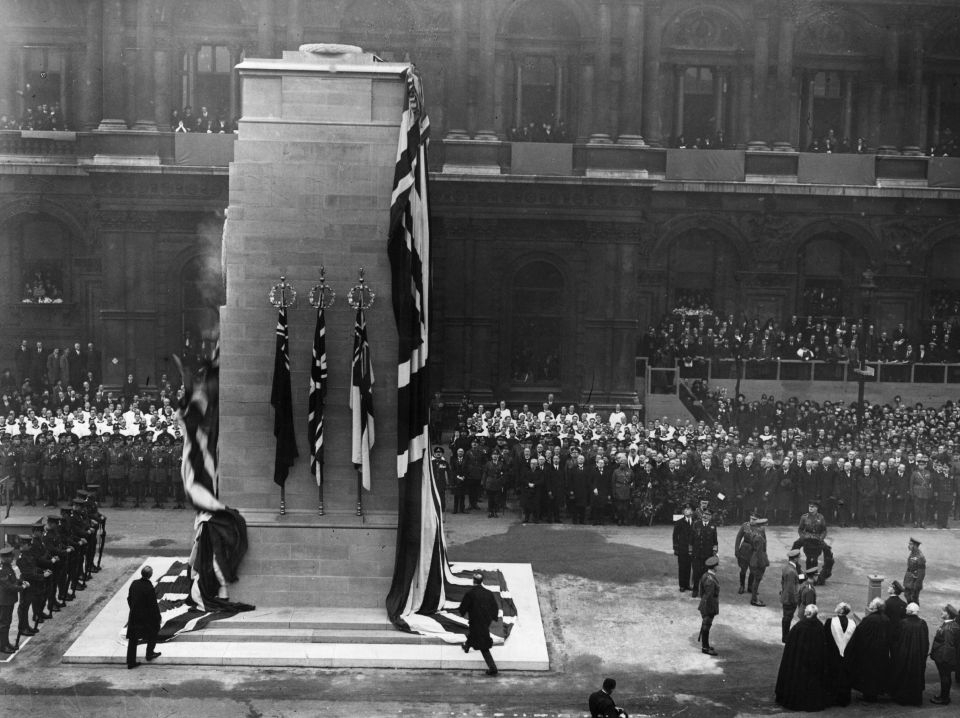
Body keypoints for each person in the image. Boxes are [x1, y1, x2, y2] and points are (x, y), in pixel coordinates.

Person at [775, 604, 830, 711]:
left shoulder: (799, 627)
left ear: (807, 613)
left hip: (799, 662)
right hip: (814, 663)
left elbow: (790, 645)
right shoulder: (819, 626)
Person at [846, 597, 892, 702]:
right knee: (878, 673)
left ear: (875, 607)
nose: (870, 604)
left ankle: (868, 696)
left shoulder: (868, 620)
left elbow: (859, 634)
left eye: (872, 603)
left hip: (869, 652)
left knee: (868, 674)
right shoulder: (886, 619)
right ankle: (876, 693)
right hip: (881, 652)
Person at [458, 572, 499, 676]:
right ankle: (467, 646)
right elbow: (495, 607)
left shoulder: (470, 593)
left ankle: (492, 668)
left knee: (483, 644)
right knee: (474, 632)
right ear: (482, 581)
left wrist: (462, 612)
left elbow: (463, 607)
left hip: (476, 620)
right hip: (486, 620)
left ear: (473, 581)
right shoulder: (489, 593)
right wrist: (492, 618)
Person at [889, 602, 929, 706]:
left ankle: (902, 698)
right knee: (916, 676)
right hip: (917, 656)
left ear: (909, 611)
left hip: (904, 655)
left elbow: (896, 640)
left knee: (903, 675)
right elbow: (925, 641)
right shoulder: (922, 623)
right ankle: (915, 699)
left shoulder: (903, 623)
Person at [126, 565, 162, 669]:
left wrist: (133, 608)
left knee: (133, 639)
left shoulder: (134, 583)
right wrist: (157, 617)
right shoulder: (149, 587)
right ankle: (149, 653)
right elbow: (153, 605)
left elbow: (129, 598)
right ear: (150, 575)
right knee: (154, 630)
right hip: (145, 617)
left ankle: (130, 662)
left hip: (134, 615)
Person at [823, 602, 856, 706]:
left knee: (833, 675)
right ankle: (844, 700)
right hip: (847, 656)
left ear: (841, 610)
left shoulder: (830, 622)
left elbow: (825, 638)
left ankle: (832, 698)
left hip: (833, 654)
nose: (836, 607)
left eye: (838, 607)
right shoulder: (852, 623)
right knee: (845, 676)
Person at [930, 603, 959, 705]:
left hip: (944, 658)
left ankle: (944, 698)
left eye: (943, 611)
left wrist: (944, 660)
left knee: (945, 678)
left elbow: (948, 646)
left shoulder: (948, 628)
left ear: (948, 614)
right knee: (945, 677)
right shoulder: (952, 625)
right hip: (946, 657)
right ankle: (944, 696)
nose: (941, 612)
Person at [1, 545, 28, 653]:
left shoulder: (8, 567)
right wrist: (22, 587)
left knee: (7, 623)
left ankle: (6, 643)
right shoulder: (2, 569)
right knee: (4, 624)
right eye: (10, 557)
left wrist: (21, 582)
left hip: (8, 600)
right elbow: (8, 586)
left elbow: (13, 579)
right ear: (4, 558)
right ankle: (3, 646)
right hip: (4, 601)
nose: (12, 558)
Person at [689, 507, 717, 598]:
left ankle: (703, 591)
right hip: (697, 554)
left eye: (708, 515)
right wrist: (690, 551)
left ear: (710, 517)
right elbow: (691, 539)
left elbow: (715, 541)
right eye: (704, 514)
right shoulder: (696, 524)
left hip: (707, 555)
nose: (705, 516)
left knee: (705, 574)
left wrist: (714, 552)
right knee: (696, 573)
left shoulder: (713, 526)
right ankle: (695, 589)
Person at [697, 555, 720, 656]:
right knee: (706, 626)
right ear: (714, 567)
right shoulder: (710, 580)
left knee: (706, 626)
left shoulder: (706, 575)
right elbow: (709, 596)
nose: (717, 567)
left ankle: (705, 645)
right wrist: (710, 609)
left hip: (705, 604)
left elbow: (701, 592)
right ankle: (705, 648)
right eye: (717, 566)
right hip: (708, 606)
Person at [780, 548, 803, 643]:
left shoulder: (787, 567)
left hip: (785, 596)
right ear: (795, 559)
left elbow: (784, 582)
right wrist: (794, 600)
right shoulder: (791, 571)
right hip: (790, 599)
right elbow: (790, 589)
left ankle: (785, 635)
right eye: (798, 557)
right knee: (787, 618)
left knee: (787, 617)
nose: (799, 559)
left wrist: (804, 576)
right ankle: (785, 637)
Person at [797, 499, 827, 570]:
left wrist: (821, 538)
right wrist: (803, 537)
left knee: (815, 559)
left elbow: (824, 530)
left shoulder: (821, 517)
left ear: (817, 508)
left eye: (813, 507)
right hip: (808, 541)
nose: (810, 508)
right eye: (809, 506)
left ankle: (814, 575)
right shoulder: (804, 517)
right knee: (808, 559)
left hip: (817, 541)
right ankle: (808, 574)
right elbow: (800, 529)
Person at [672, 504, 695, 592]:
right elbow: (675, 536)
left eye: (688, 509)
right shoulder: (679, 522)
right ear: (683, 512)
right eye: (685, 509)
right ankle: (682, 585)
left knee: (689, 567)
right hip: (682, 548)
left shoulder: (694, 522)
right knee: (682, 567)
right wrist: (676, 549)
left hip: (691, 549)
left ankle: (687, 585)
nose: (687, 511)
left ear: (692, 512)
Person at [903, 537, 926, 605]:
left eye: (910, 544)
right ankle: (911, 609)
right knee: (907, 595)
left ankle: (914, 612)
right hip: (909, 580)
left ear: (915, 546)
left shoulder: (920, 557)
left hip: (914, 582)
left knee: (913, 598)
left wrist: (917, 584)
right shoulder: (912, 553)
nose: (908, 546)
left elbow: (922, 573)